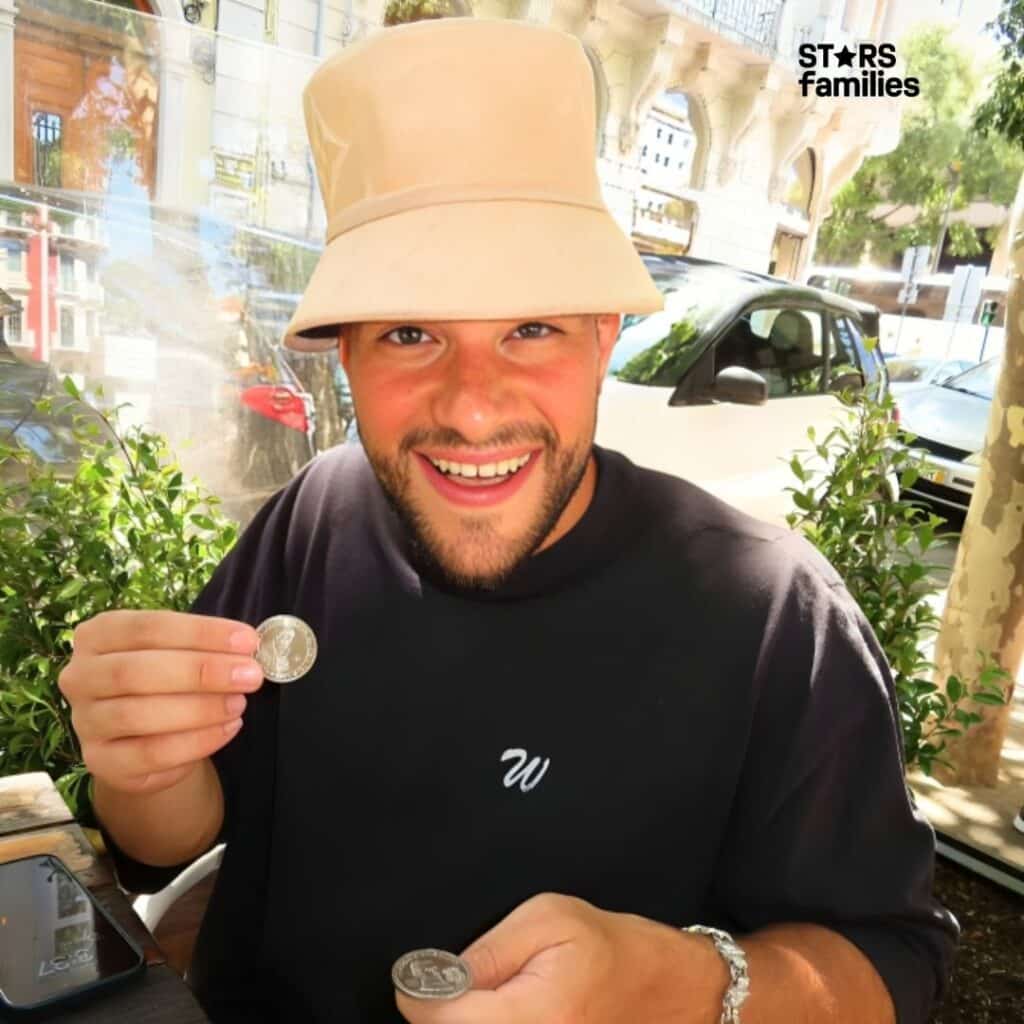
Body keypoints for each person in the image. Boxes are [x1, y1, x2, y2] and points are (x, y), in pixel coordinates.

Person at [58, 17, 959, 1024]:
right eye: (409, 332)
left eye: (531, 327)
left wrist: (668, 982)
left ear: (605, 334)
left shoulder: (772, 619)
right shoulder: (316, 514)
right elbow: (167, 840)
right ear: (346, 354)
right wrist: (145, 763)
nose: (473, 403)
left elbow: (891, 967)